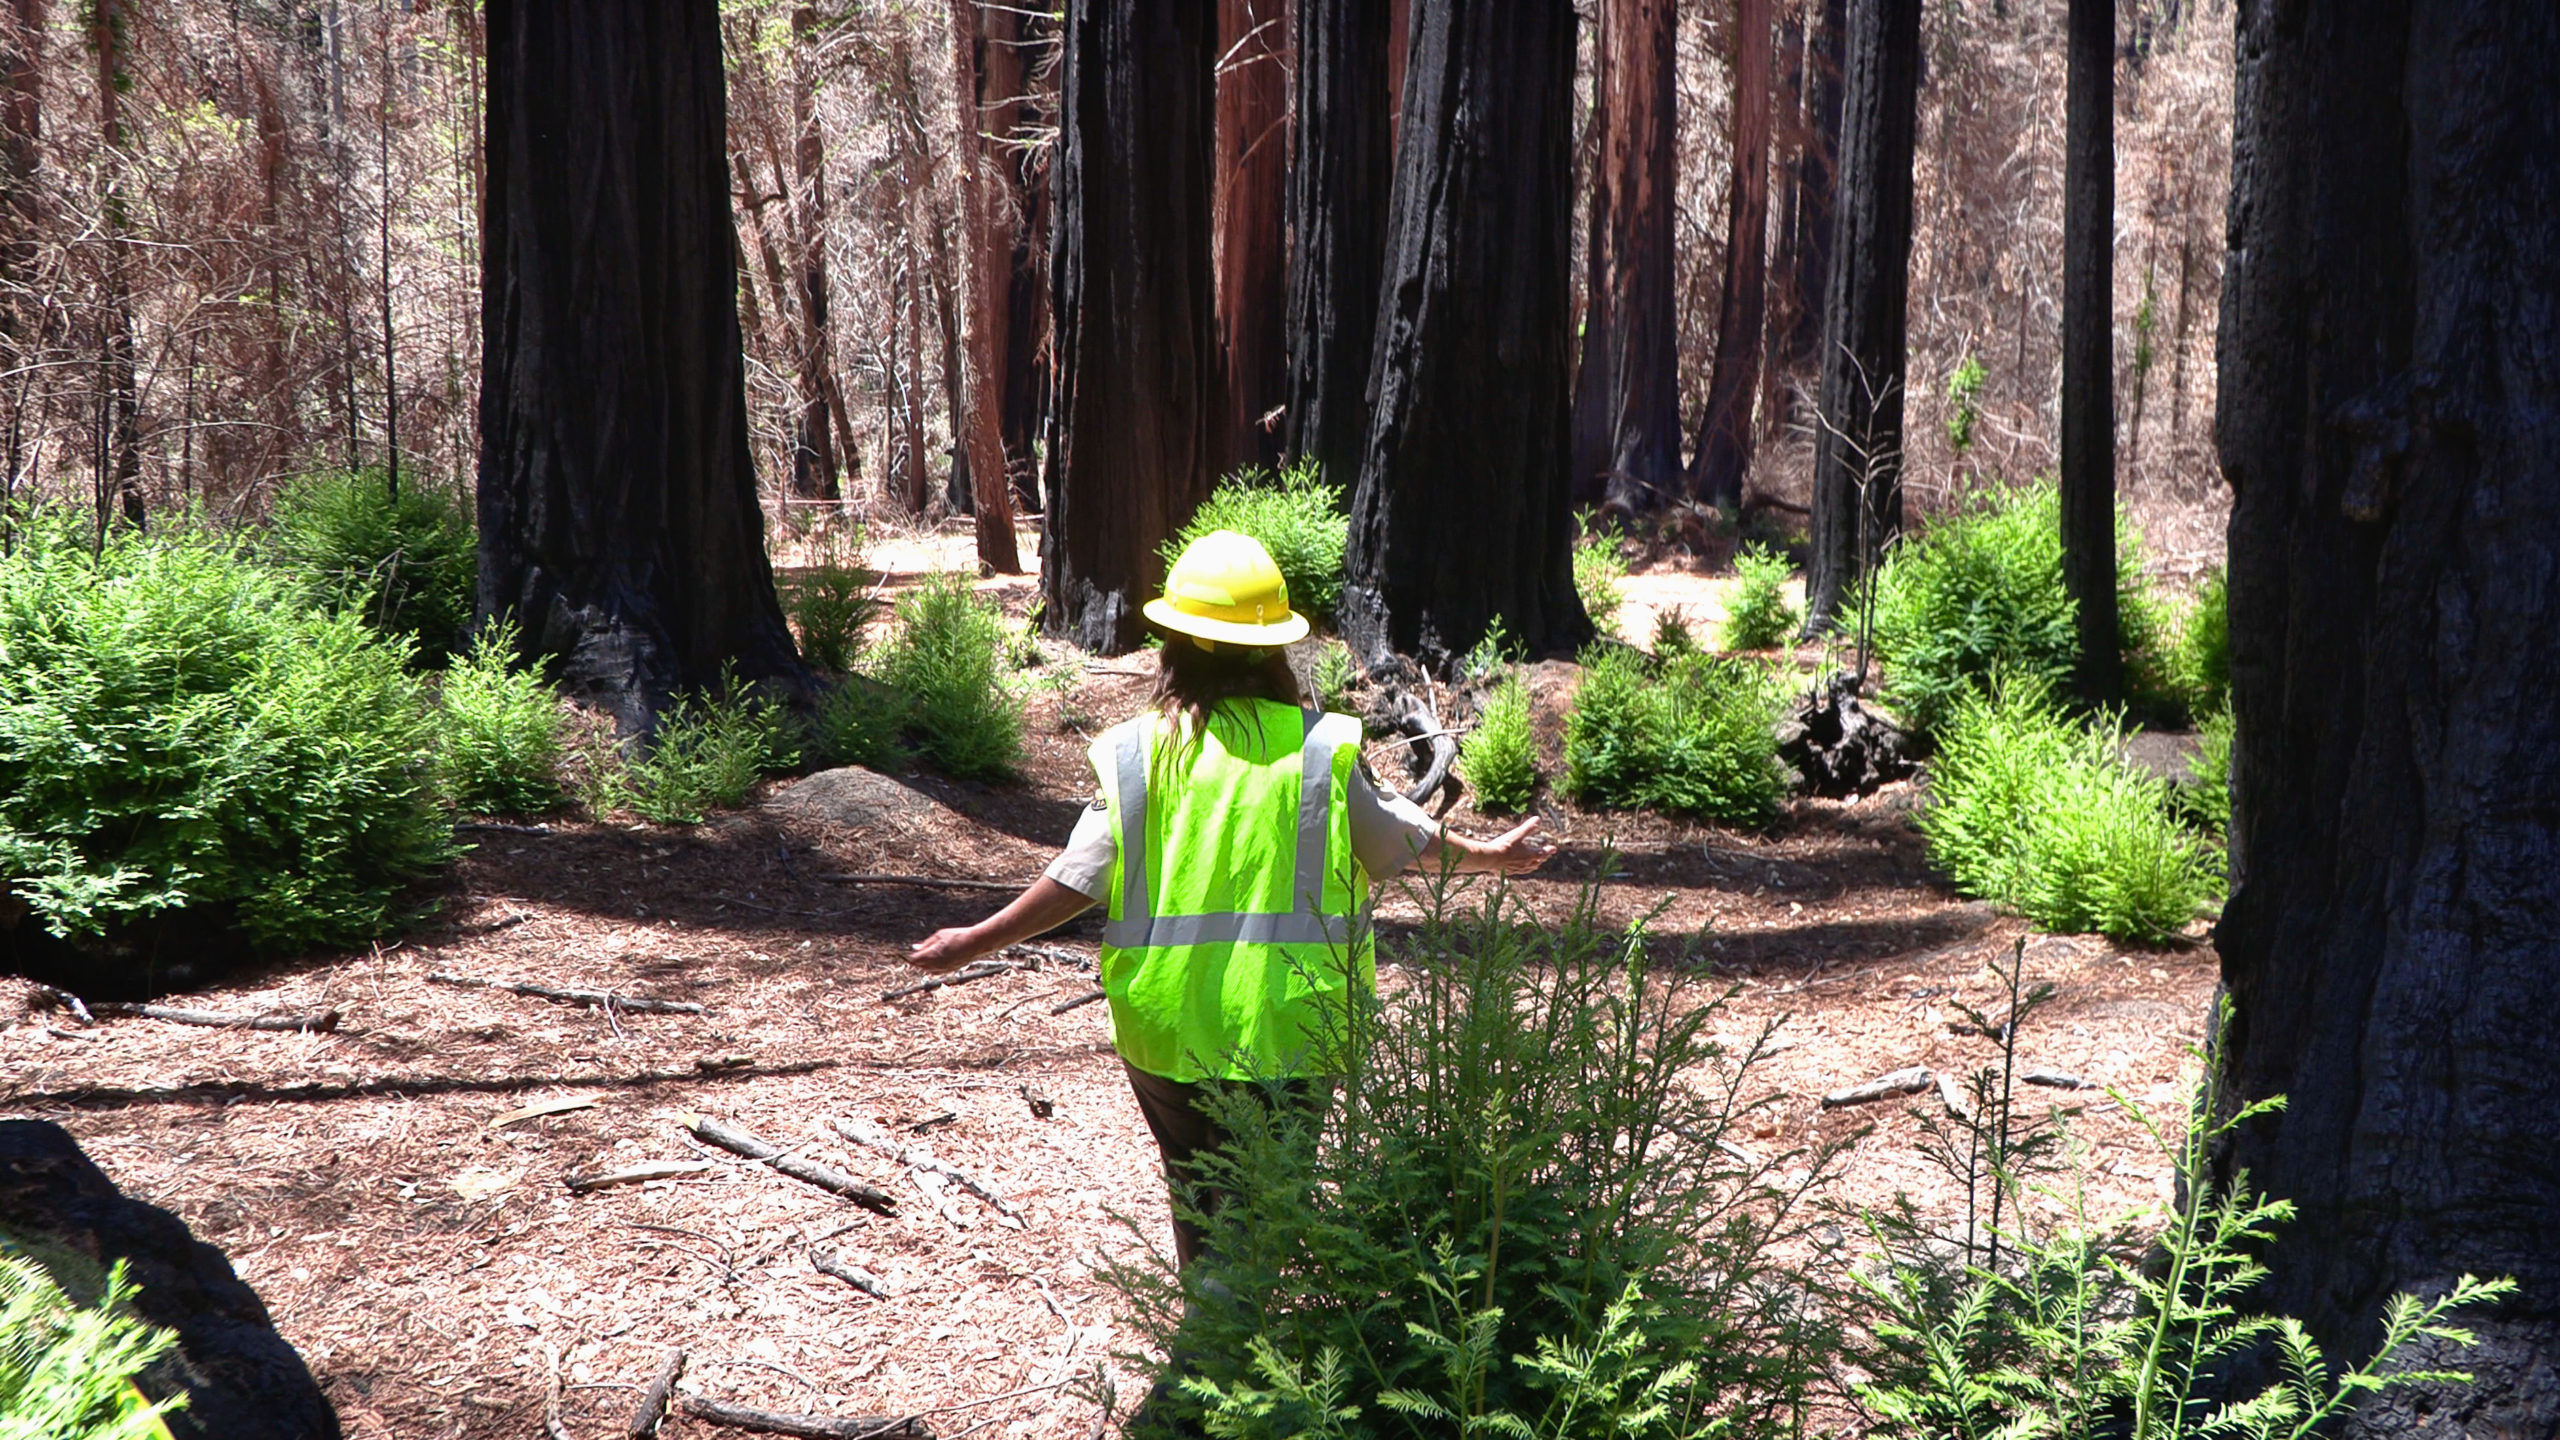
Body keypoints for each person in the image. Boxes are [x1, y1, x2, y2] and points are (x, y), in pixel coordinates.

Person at [906, 530, 1551, 1268]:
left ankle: (1209, 1348)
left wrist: (972, 941)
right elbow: (1399, 840)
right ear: (1274, 649)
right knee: (1259, 1225)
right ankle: (1221, 1358)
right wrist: (1491, 859)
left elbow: (1076, 878)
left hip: (1165, 1030)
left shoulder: (1138, 752)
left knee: (1198, 1203)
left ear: (1173, 644)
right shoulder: (1317, 750)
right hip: (1287, 1032)